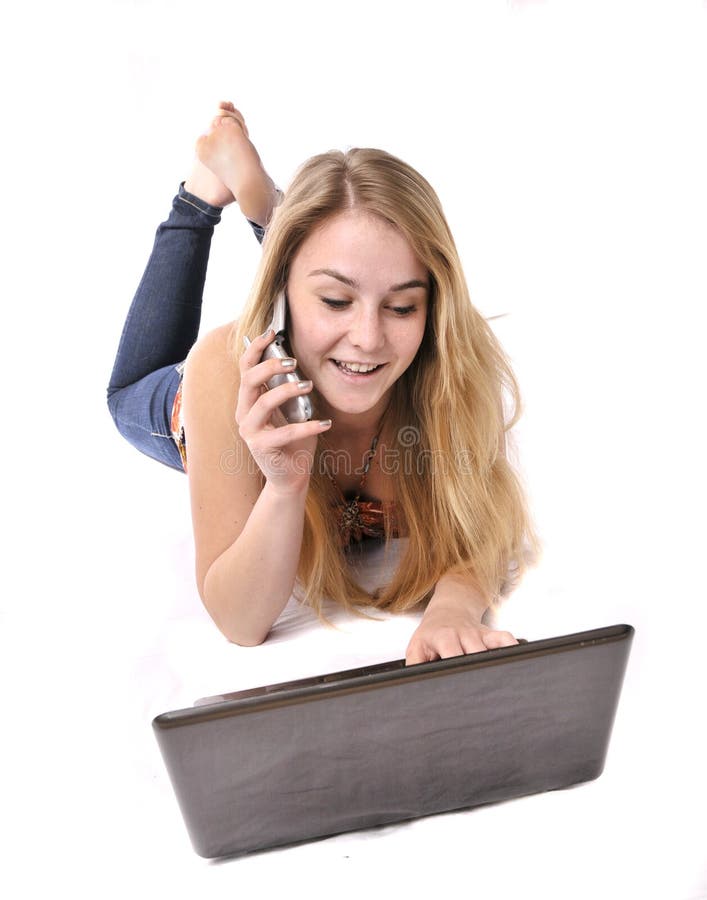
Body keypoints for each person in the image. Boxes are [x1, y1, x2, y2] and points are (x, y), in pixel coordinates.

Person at [107, 102, 540, 665]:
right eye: (336, 302)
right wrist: (284, 488)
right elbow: (241, 624)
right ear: (283, 297)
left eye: (403, 306)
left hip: (304, 301)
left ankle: (272, 211)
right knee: (124, 395)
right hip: (195, 407)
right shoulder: (223, 366)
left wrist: (454, 609)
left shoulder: (453, 358)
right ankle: (202, 194)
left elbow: (485, 529)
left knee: (346, 266)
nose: (368, 338)